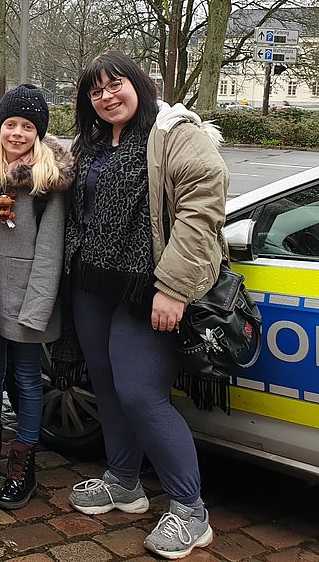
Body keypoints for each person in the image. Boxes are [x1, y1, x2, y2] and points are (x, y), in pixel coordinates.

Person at [63, 51, 227, 560]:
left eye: (116, 85)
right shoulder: (89, 143)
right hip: (92, 283)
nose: (107, 96)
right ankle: (124, 480)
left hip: (146, 287)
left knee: (139, 392)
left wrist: (174, 288)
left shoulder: (174, 133)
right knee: (106, 383)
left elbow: (201, 211)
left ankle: (189, 509)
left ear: (139, 83)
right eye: (96, 91)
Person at [0, 84, 74, 509]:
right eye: (10, 124)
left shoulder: (49, 182)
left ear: (39, 132)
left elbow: (50, 251)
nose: (17, 133)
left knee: (29, 382)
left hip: (28, 298)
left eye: (27, 126)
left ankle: (24, 464)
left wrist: (37, 310)